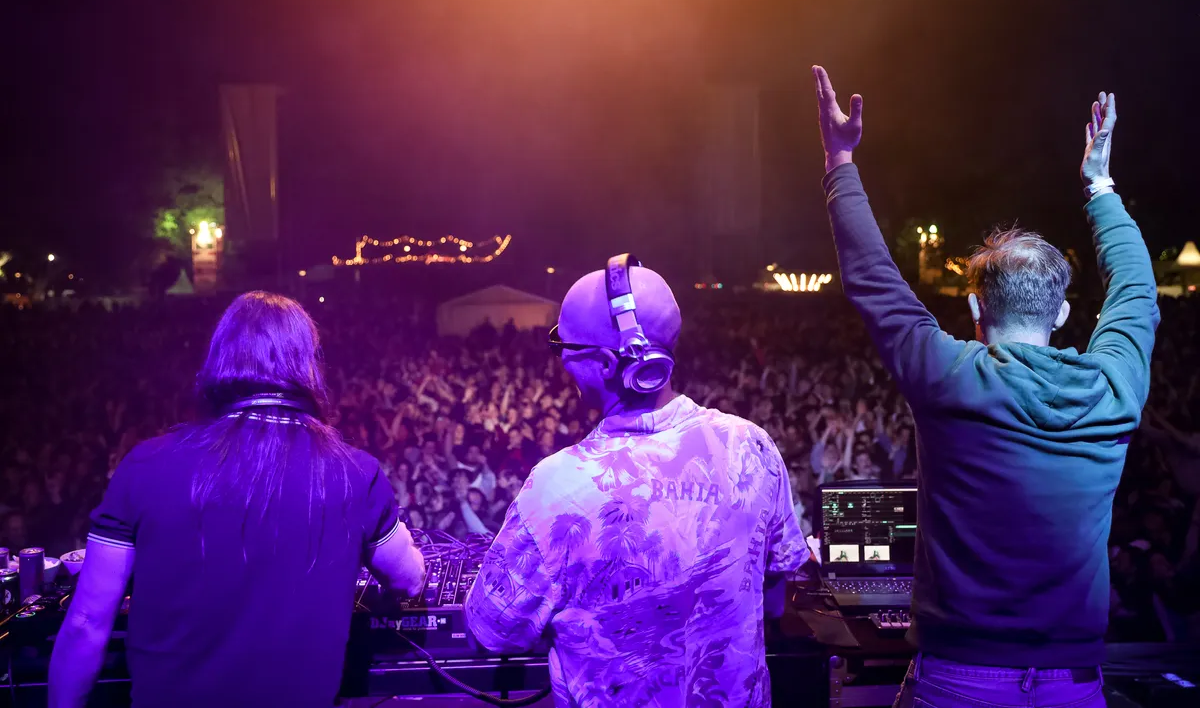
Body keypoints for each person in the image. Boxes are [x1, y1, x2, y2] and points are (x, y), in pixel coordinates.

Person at [810, 66, 1158, 707]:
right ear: (1062, 313)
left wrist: (841, 161)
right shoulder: (1114, 386)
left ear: (975, 309)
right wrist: (1100, 186)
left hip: (956, 682)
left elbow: (872, 278)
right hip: (1073, 687)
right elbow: (1136, 289)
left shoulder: (948, 376)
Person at [464, 256, 812, 707]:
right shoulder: (752, 446)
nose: (561, 359)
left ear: (608, 364)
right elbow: (778, 595)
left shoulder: (555, 488)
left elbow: (489, 631)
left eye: (562, 346)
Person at [48, 292, 425, 708]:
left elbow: (86, 622)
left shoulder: (144, 465)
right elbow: (409, 580)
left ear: (221, 359)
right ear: (307, 364)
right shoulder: (355, 472)